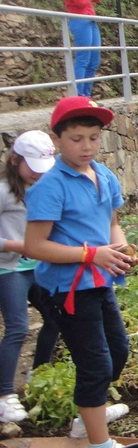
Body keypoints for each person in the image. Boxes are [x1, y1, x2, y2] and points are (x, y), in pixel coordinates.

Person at [24, 97, 138, 448]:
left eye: (93, 137)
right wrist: (93, 254)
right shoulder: (51, 186)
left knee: (118, 351)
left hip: (100, 282)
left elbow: (112, 223)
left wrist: (120, 250)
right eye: (76, 138)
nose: (86, 146)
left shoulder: (103, 175)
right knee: (95, 365)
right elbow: (35, 246)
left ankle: (86, 418)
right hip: (68, 290)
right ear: (56, 139)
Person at [0, 131, 60, 424]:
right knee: (17, 328)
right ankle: (4, 396)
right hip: (8, 269)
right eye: (33, 168)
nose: (38, 175)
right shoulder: (3, 192)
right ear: (15, 160)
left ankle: (38, 373)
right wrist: (15, 245)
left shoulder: (41, 188)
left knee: (56, 316)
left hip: (36, 267)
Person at [59, 0, 103, 98]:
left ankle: (86, 96)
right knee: (83, 58)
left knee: (94, 60)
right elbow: (79, 1)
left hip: (90, 19)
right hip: (79, 19)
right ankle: (78, 96)